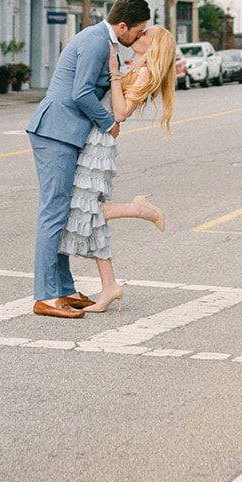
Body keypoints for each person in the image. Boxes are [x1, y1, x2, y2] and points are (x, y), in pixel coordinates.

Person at [26, 0, 151, 319]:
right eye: (138, 32)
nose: (139, 37)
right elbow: (80, 91)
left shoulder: (103, 42)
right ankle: (45, 296)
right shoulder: (97, 41)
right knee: (52, 213)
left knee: (62, 211)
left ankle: (64, 290)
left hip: (65, 133)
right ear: (122, 26)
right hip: (55, 132)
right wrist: (109, 123)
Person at [58, 24, 175, 313]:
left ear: (154, 47)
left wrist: (113, 73)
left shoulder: (146, 72)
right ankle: (109, 286)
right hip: (93, 138)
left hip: (100, 144)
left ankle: (140, 210)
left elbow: (120, 113)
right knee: (90, 216)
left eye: (147, 34)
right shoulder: (135, 67)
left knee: (84, 209)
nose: (140, 35)